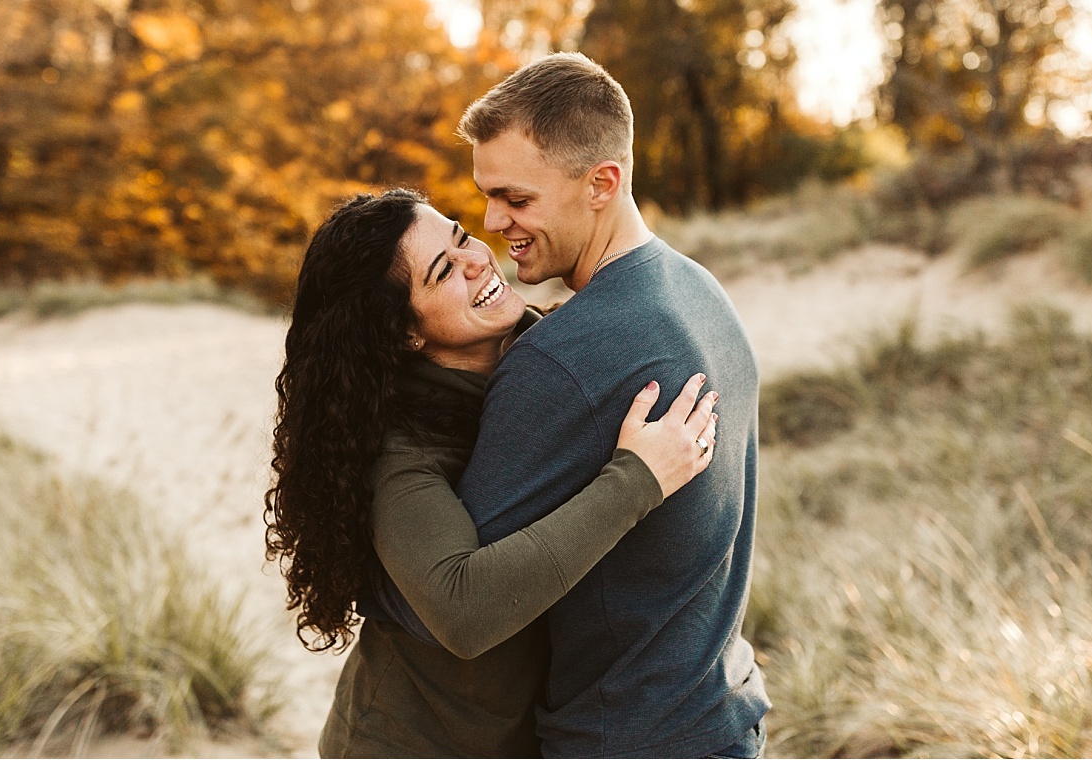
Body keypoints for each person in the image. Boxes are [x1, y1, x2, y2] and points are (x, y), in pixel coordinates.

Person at [267, 188, 720, 757]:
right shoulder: (400, 450)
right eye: (444, 271)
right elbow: (463, 610)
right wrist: (637, 479)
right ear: (404, 332)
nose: (478, 259)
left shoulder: (544, 352)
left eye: (461, 238)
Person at [451, 52, 769, 757]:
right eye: (487, 194)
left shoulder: (569, 355)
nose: (491, 220)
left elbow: (459, 594)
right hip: (722, 714)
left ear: (602, 182)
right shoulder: (699, 291)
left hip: (624, 737)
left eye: (516, 198)